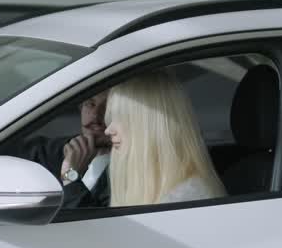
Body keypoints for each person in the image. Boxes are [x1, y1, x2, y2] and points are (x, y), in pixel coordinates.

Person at [104, 71, 226, 207]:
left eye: (120, 117)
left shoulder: (187, 198)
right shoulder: (169, 192)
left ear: (149, 125)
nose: (108, 130)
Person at [12, 90, 112, 208]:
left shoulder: (126, 171)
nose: (95, 116)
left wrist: (69, 175)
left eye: (108, 106)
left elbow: (87, 219)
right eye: (90, 104)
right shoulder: (67, 148)